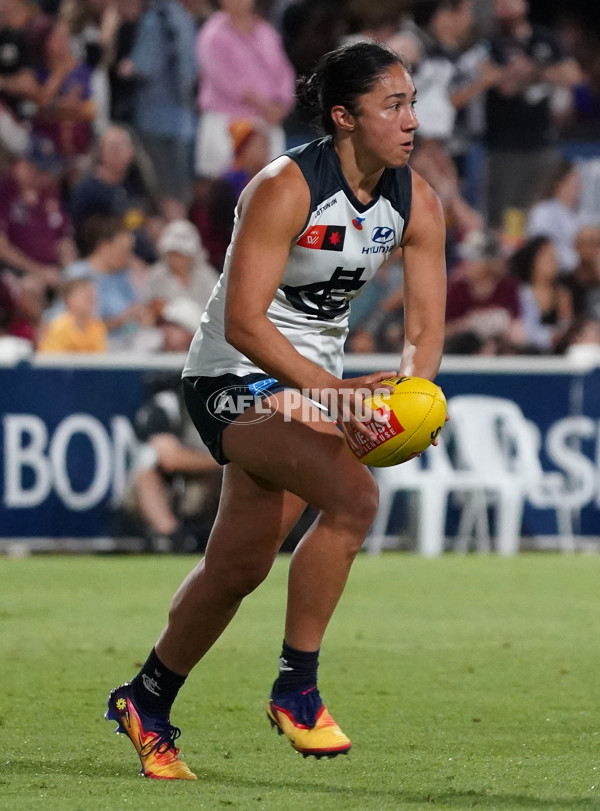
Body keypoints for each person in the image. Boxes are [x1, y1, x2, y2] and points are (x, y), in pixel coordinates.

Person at [105, 41, 446, 780]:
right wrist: (336, 396)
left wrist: (413, 398)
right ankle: (297, 686)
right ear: (344, 117)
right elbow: (246, 324)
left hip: (308, 388)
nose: (413, 121)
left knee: (237, 568)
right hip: (232, 378)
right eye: (394, 106)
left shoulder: (418, 201)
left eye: (413, 103)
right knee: (355, 497)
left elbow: (423, 331)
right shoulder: (285, 186)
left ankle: (146, 698)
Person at [37, 276, 107, 352]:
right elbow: (53, 360)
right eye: (86, 296)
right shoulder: (58, 326)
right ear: (68, 300)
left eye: (93, 296)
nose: (92, 300)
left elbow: (100, 357)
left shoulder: (97, 326)